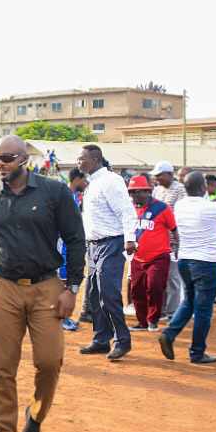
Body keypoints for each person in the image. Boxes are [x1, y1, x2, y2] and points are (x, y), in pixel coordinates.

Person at [0, 136, 85, 432]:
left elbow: (75, 239)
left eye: (5, 158)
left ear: (23, 159)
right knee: (3, 365)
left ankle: (36, 414)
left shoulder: (54, 193)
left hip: (46, 286)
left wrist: (72, 288)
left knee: (49, 361)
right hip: (3, 288)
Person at [158, 171, 216, 364]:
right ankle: (197, 352)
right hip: (206, 263)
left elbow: (208, 206)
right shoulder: (209, 207)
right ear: (203, 188)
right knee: (203, 309)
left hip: (185, 260)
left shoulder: (181, 205)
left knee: (189, 302)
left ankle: (169, 333)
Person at [77, 145, 137, 360]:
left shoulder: (110, 181)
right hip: (93, 246)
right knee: (94, 293)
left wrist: (130, 238)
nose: (78, 162)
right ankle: (101, 339)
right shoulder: (92, 184)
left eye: (81, 158)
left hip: (111, 243)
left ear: (95, 159)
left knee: (108, 293)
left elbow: (126, 211)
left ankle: (122, 340)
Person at [127, 175, 176, 331]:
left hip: (159, 256)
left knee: (154, 286)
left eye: (137, 192)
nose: (133, 196)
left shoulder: (162, 208)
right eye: (131, 192)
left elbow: (174, 229)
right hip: (137, 257)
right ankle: (142, 322)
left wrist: (178, 249)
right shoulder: (129, 209)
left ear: (147, 191)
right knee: (137, 290)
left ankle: (153, 320)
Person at [151, 161, 186, 320]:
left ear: (170, 174)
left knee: (172, 278)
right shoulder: (157, 190)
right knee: (159, 278)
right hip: (158, 241)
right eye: (156, 176)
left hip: (173, 241)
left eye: (160, 176)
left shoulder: (180, 190)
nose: (157, 179)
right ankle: (162, 310)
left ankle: (172, 312)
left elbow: (181, 215)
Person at [63, 168, 88, 330]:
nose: (85, 183)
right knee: (63, 283)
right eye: (84, 179)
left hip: (67, 246)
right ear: (77, 179)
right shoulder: (66, 196)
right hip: (63, 247)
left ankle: (62, 318)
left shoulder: (71, 196)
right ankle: (61, 318)